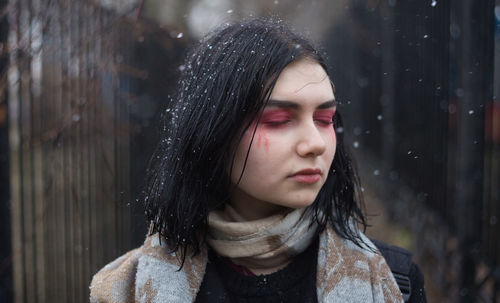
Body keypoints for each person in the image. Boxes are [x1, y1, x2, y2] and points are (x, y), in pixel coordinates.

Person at [89, 18, 426, 303]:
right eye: (279, 120)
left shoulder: (394, 283)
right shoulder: (127, 290)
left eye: (325, 120)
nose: (315, 144)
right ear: (214, 132)